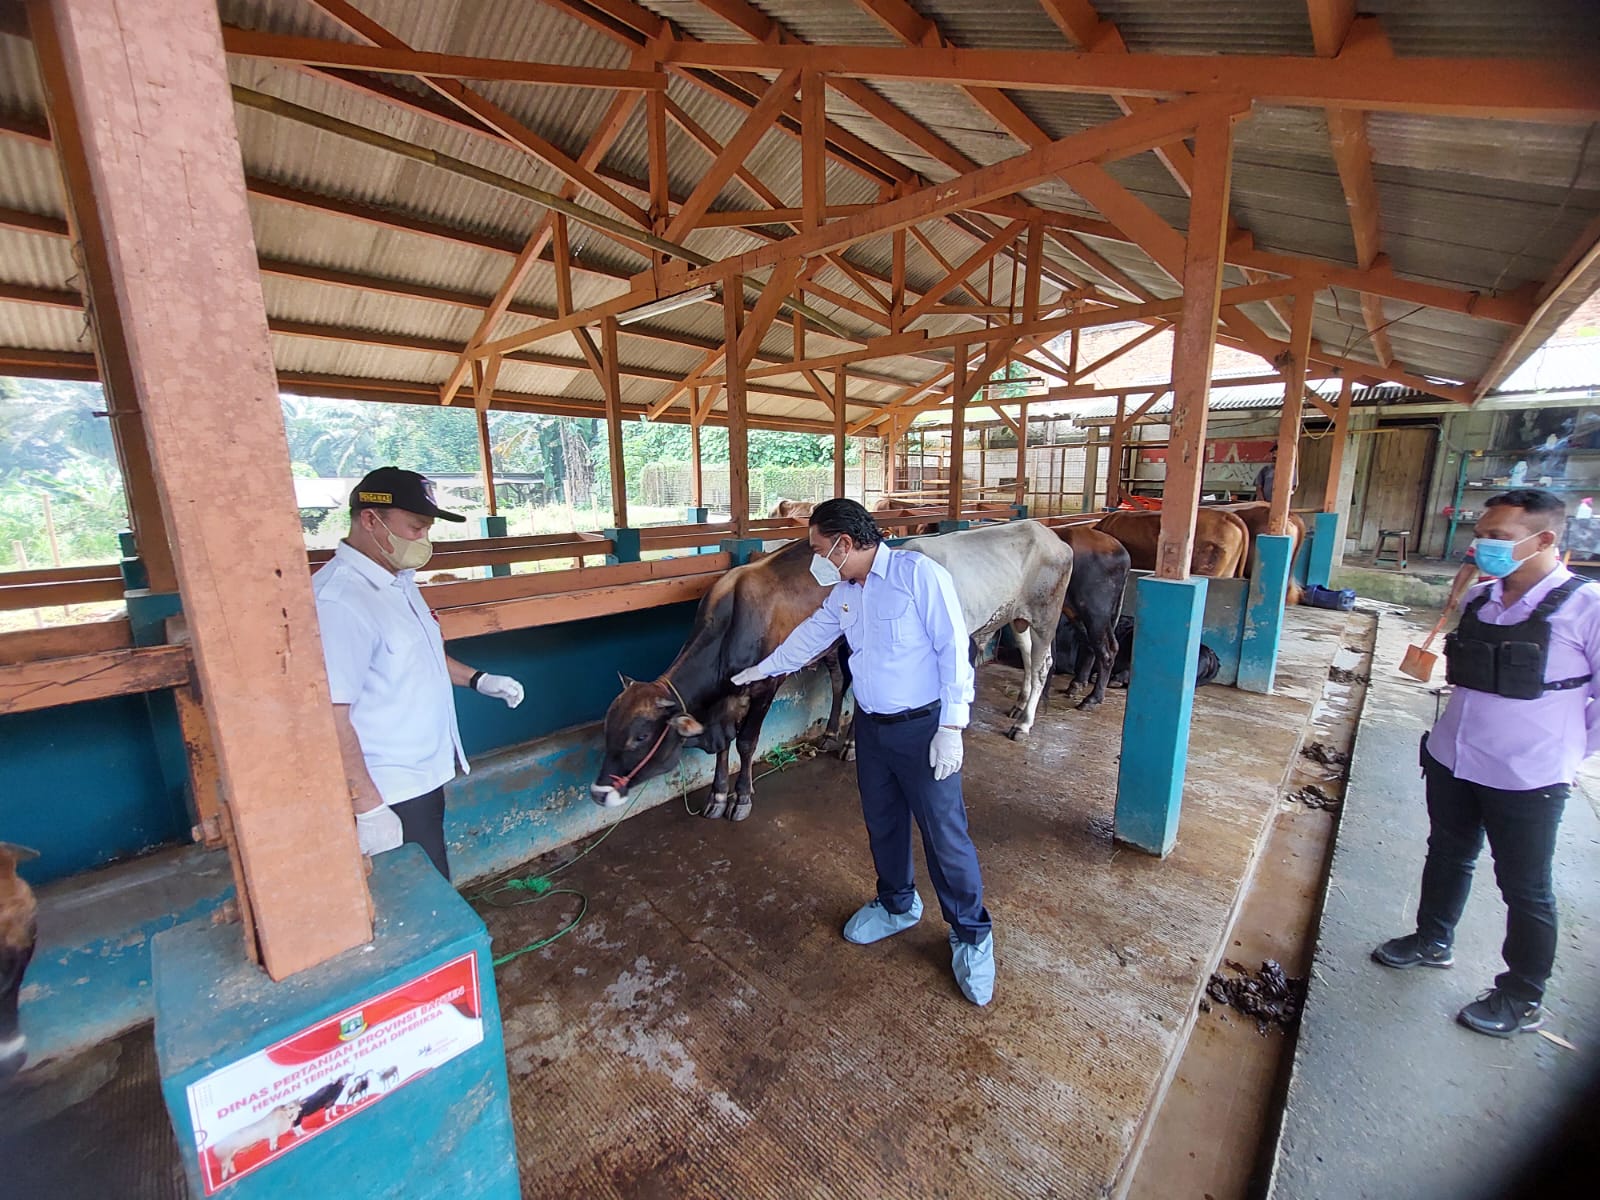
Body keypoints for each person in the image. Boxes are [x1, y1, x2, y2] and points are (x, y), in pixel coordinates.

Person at [730, 499, 994, 1006]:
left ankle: (972, 935)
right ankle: (897, 904)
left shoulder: (920, 576)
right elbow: (810, 637)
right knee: (884, 822)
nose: (814, 559)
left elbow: (953, 649)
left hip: (923, 729)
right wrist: (756, 672)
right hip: (872, 728)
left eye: (817, 549)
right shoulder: (847, 591)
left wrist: (953, 726)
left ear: (844, 544)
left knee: (945, 836)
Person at [1373, 489, 1600, 1036]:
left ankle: (1522, 996)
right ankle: (1433, 939)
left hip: (1530, 773)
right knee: (1448, 854)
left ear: (1544, 540)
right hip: (1454, 755)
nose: (1483, 545)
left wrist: (1566, 749)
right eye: (1482, 534)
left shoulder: (1586, 606)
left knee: (1525, 885)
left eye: (1499, 537)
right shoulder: (1479, 597)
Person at [312, 467, 525, 879]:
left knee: (433, 887)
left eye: (426, 528)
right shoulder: (339, 601)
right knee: (419, 903)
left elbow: (423, 656)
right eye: (415, 526)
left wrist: (477, 679)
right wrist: (369, 808)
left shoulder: (399, 580)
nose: (422, 539)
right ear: (371, 519)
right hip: (388, 791)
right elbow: (330, 714)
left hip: (421, 778)